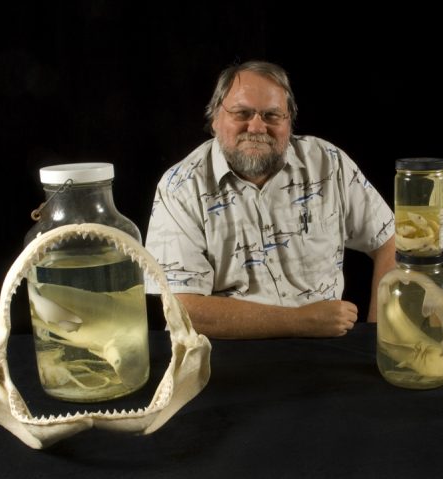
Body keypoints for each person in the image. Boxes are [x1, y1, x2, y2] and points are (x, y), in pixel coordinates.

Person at [145, 60, 395, 339]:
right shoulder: (180, 187)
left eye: (272, 115)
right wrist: (302, 321)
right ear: (215, 119)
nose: (256, 127)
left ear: (289, 122)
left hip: (323, 353)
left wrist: (377, 338)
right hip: (219, 358)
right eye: (242, 113)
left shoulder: (328, 163)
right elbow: (181, 308)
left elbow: (390, 240)